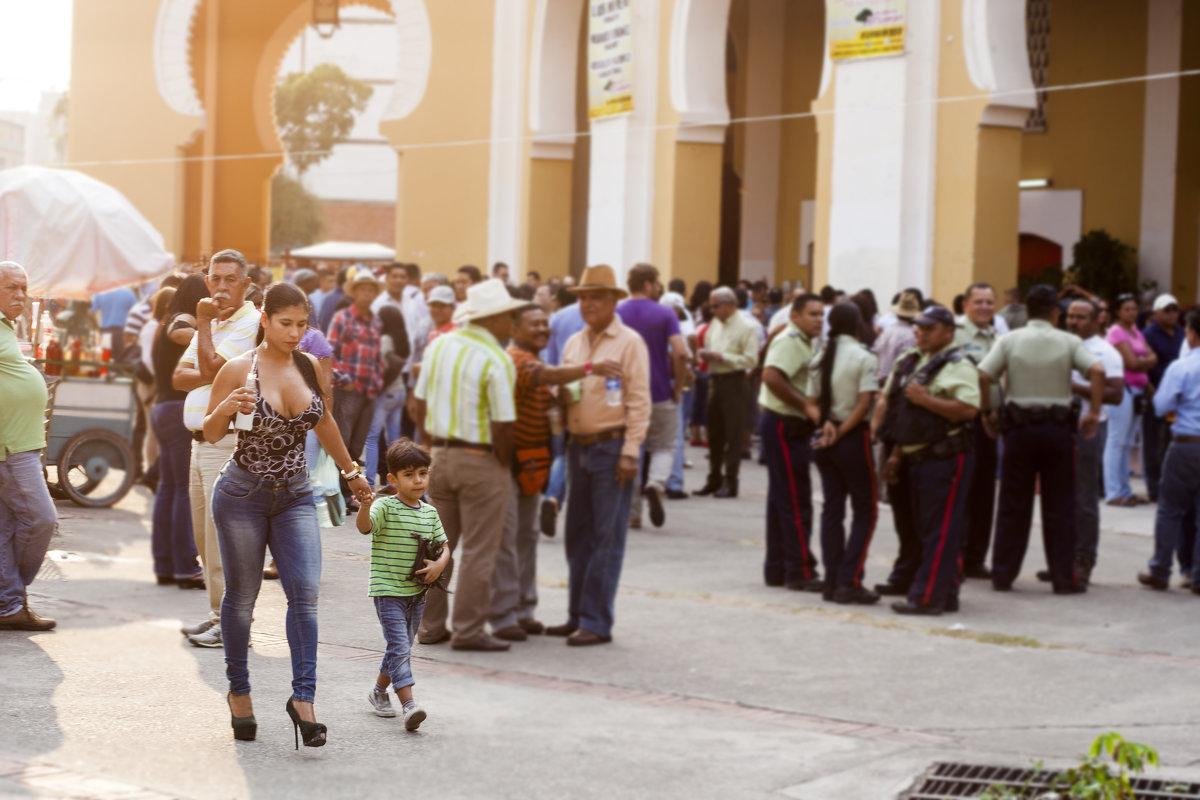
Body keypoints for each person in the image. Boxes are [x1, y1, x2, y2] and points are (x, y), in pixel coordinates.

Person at [203, 282, 371, 747]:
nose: (295, 333)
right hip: (242, 496)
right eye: (285, 324)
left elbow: (325, 420)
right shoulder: (239, 368)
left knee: (306, 594)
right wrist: (223, 407)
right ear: (264, 318)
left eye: (302, 324)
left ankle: (304, 701)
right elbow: (210, 432)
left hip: (296, 495)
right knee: (242, 598)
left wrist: (351, 471)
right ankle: (239, 692)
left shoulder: (309, 365)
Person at [490, 305, 620, 642]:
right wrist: (590, 368)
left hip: (533, 462)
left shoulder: (536, 360)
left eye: (545, 324)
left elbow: (546, 389)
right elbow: (543, 375)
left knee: (527, 537)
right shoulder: (516, 358)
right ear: (515, 328)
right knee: (508, 541)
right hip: (510, 460)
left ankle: (524, 610)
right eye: (534, 324)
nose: (543, 329)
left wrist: (560, 400)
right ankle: (505, 615)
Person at [412, 279, 528, 652]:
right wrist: (504, 466)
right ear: (493, 319)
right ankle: (468, 630)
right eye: (509, 315)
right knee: (480, 549)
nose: (512, 321)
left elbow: (418, 406)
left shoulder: (439, 345)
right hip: (481, 458)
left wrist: (429, 449)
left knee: (439, 545)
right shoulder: (496, 358)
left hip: (441, 456)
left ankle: (430, 626)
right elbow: (503, 424)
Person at [547, 265, 650, 646]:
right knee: (577, 535)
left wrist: (630, 451)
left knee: (606, 536)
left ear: (613, 301)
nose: (588, 304)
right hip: (578, 446)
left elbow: (640, 401)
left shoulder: (629, 342)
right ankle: (577, 613)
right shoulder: (575, 341)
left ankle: (596, 619)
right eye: (583, 297)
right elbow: (566, 385)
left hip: (611, 447)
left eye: (596, 297)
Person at [978, 285, 1104, 594]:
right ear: (1054, 313)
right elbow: (1098, 370)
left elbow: (983, 374)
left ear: (1026, 310)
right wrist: (1094, 413)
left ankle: (1003, 575)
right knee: (1061, 505)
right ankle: (1063, 579)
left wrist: (987, 411)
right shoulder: (1069, 340)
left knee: (1012, 504)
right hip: (1057, 430)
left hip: (1019, 431)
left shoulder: (1009, 340)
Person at [174, 250, 260, 647]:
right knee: (203, 535)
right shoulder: (214, 326)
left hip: (225, 441)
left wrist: (204, 323)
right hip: (199, 441)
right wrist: (207, 351)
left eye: (230, 280)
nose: (221, 288)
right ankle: (217, 615)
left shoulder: (248, 322)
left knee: (221, 535)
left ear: (245, 284)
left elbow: (208, 369)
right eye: (215, 280)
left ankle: (233, 622)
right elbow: (179, 376)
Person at [874, 305, 979, 615]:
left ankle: (928, 597)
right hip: (912, 455)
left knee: (940, 529)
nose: (920, 332)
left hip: (943, 456)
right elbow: (899, 409)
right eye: (918, 326)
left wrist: (926, 400)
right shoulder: (910, 360)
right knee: (918, 527)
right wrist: (895, 452)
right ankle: (940, 591)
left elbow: (968, 409)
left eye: (929, 328)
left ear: (948, 332)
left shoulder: (958, 364)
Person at [359, 439, 449, 730]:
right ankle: (409, 704)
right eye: (409, 474)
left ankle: (377, 691)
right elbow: (364, 528)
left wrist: (439, 564)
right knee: (400, 646)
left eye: (423, 473)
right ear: (392, 479)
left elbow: (445, 546)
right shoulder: (385, 507)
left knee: (399, 647)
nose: (418, 480)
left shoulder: (430, 513)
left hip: (417, 593)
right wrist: (364, 505)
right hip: (388, 591)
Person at [1039, 299, 1123, 585]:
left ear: (1098, 320)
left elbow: (1115, 393)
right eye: (1070, 316)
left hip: (1087, 430)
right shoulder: (1060, 344)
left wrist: (1074, 386)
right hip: (1057, 427)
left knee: (1084, 497)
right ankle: (1061, 560)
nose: (1074, 322)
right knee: (1059, 496)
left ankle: (1083, 559)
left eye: (1082, 317)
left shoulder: (1105, 353)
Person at [806, 302, 880, 604]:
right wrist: (842, 430)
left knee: (832, 508)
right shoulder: (865, 357)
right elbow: (865, 404)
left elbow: (810, 402)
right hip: (852, 437)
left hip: (824, 436)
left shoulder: (820, 355)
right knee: (866, 509)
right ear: (858, 325)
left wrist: (826, 425)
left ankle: (832, 579)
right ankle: (849, 580)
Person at [0, 262, 57, 631]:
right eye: (12, 288)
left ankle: (9, 604)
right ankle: (12, 594)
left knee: (6, 528)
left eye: (24, 288)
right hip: (11, 446)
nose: (21, 295)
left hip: (20, 442)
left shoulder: (6, 327)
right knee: (41, 519)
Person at [757, 293, 825, 591]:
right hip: (785, 424)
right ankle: (799, 570)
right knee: (796, 499)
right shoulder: (790, 340)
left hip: (784, 424)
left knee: (781, 499)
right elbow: (771, 377)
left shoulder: (805, 341)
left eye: (822, 314)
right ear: (795, 316)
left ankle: (778, 567)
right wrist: (805, 407)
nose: (819, 320)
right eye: (812, 314)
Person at [618, 264, 688, 529]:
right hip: (659, 391)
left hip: (626, 394)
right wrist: (678, 385)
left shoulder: (617, 312)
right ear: (647, 284)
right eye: (658, 283)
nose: (660, 288)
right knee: (664, 445)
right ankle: (656, 484)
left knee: (631, 449)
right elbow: (680, 352)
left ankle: (632, 514)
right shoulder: (665, 313)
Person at [150, 276, 207, 588]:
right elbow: (179, 331)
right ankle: (186, 565)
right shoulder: (181, 320)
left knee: (170, 489)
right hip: (176, 412)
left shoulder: (169, 317)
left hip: (164, 410)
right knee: (184, 491)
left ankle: (166, 564)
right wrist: (208, 330)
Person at [1137, 309, 1200, 591]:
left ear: (1192, 333)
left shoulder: (1181, 367)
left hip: (1186, 444)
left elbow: (1161, 406)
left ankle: (1161, 569)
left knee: (1170, 510)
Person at [953, 282, 1002, 579]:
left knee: (985, 491)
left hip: (991, 424)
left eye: (989, 302)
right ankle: (956, 555)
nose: (984, 307)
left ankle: (975, 558)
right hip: (965, 419)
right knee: (963, 490)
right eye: (979, 301)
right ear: (965, 305)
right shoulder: (955, 335)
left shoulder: (998, 336)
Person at [328, 267, 386, 507]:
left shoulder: (375, 321)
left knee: (357, 445)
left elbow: (377, 355)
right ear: (354, 293)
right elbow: (329, 353)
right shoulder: (342, 318)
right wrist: (344, 379)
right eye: (362, 289)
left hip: (368, 392)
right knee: (342, 442)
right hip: (347, 391)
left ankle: (347, 493)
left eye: (371, 290)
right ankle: (338, 494)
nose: (367, 294)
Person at [694, 287, 760, 498]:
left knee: (733, 433)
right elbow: (708, 342)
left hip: (734, 380)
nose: (712, 310)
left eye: (715, 306)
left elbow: (751, 360)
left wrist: (723, 357)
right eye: (710, 306)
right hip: (715, 379)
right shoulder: (715, 324)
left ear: (729, 304)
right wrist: (705, 354)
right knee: (714, 433)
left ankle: (731, 481)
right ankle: (713, 478)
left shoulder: (747, 326)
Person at [539, 288, 586, 535]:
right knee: (580, 452)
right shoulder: (606, 318)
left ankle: (553, 498)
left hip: (558, 391)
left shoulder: (559, 318)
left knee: (559, 452)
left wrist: (552, 391)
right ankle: (563, 501)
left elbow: (549, 360)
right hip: (588, 396)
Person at [1103, 293, 1156, 506]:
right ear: (1118, 312)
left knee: (1127, 443)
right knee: (1116, 441)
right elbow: (1133, 363)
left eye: (1134, 308)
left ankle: (1125, 490)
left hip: (1138, 390)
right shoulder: (1116, 333)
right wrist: (1145, 360)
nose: (1132, 312)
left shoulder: (1135, 331)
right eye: (1127, 309)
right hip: (1123, 390)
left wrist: (1144, 360)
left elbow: (1153, 357)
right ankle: (1113, 492)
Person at [362, 305, 411, 492]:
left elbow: (379, 367)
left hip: (386, 393)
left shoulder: (385, 340)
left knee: (371, 437)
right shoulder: (401, 341)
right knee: (394, 440)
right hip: (399, 392)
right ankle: (393, 483)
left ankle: (369, 483)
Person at [1141, 293, 1183, 502]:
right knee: (1153, 441)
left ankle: (1169, 484)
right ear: (1156, 313)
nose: (1172, 314)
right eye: (1167, 310)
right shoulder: (1148, 335)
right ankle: (1153, 487)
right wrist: (1151, 392)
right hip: (1156, 394)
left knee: (1170, 441)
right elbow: (1143, 368)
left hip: (1178, 398)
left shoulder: (1182, 334)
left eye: (1174, 309)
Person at [874, 290, 923, 382]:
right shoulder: (912, 336)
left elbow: (875, 355)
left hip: (880, 380)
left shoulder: (886, 332)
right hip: (896, 384)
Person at [91, 285, 138, 361]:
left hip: (105, 331)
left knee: (106, 360)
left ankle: (107, 372)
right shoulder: (128, 293)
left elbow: (91, 313)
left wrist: (98, 328)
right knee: (121, 360)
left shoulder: (100, 292)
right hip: (122, 332)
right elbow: (136, 311)